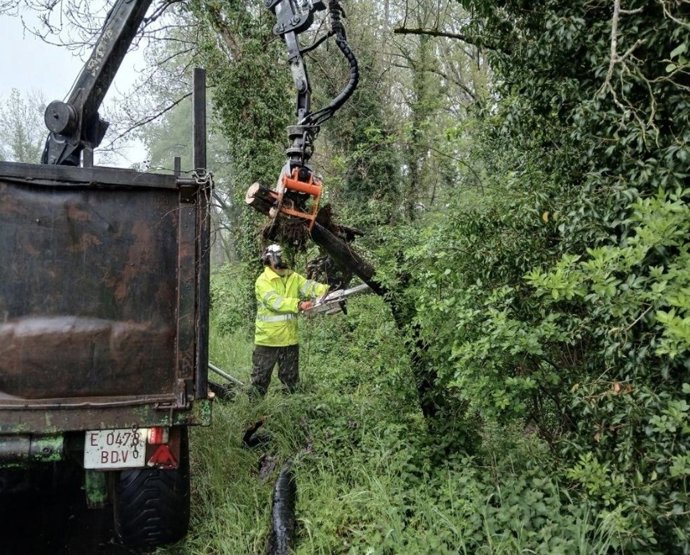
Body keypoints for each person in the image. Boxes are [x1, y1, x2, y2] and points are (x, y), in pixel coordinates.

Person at [251, 244, 329, 396]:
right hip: (268, 340)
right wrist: (299, 304)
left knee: (291, 382)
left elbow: (309, 286)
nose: (281, 263)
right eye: (277, 260)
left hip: (289, 340)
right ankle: (254, 412)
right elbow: (275, 302)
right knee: (260, 381)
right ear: (269, 261)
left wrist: (325, 290)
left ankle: (291, 411)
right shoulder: (262, 281)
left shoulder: (292, 276)